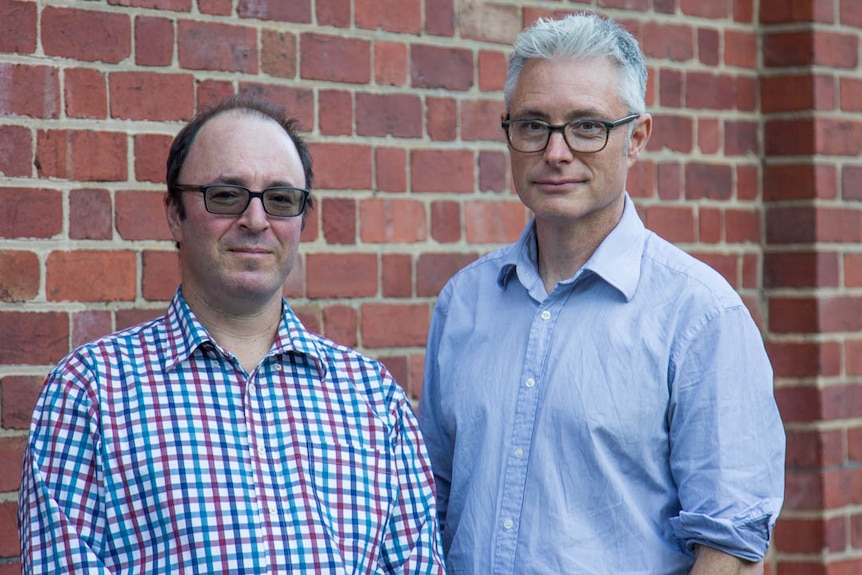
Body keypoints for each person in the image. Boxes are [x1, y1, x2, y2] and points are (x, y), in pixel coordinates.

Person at [418, 12, 785, 575]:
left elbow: (730, 552)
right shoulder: (463, 304)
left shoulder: (699, 316)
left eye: (587, 126)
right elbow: (433, 509)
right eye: (533, 125)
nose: (556, 152)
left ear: (635, 138)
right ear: (509, 133)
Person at [19, 95, 446, 574]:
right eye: (226, 195)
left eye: (281, 199)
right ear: (175, 215)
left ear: (303, 219)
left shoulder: (373, 399)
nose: (256, 220)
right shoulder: (91, 393)